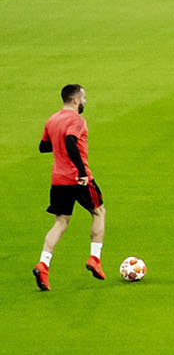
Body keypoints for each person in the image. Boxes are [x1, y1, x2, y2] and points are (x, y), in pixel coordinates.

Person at [35, 84, 103, 290]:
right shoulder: (77, 120)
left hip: (58, 179)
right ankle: (95, 258)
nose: (85, 101)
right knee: (99, 212)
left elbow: (43, 146)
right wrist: (82, 172)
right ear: (75, 100)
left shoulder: (52, 120)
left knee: (60, 222)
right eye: (83, 98)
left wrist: (59, 144)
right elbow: (70, 141)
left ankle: (43, 264)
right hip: (78, 178)